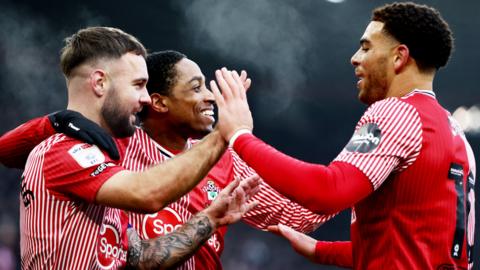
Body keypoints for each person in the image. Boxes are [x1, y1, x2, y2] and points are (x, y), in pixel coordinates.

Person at [2, 50, 333, 269]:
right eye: (196, 87)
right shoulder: (112, 143)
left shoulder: (225, 158)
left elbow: (301, 216)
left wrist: (367, 173)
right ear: (158, 102)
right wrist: (55, 121)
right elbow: (6, 151)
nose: (209, 97)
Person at [210, 2, 476, 269]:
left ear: (399, 57)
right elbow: (415, 249)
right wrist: (320, 249)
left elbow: (328, 190)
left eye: (366, 47)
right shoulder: (455, 134)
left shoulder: (398, 112)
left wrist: (240, 136)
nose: (355, 58)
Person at [15, 26, 260, 269]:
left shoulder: (106, 167)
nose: (145, 99)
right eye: (138, 85)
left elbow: (142, 259)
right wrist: (221, 133)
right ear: (100, 83)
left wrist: (209, 219)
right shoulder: (64, 151)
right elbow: (147, 194)